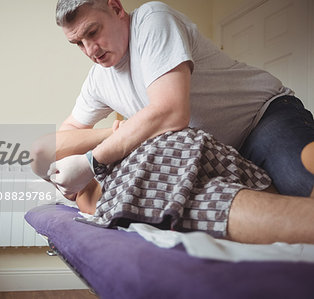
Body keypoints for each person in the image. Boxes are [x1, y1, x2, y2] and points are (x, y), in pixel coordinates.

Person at [47, 0, 314, 199]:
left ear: (116, 8)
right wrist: (109, 135)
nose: (90, 50)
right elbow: (63, 138)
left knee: (303, 188)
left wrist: (90, 162)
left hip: (263, 119)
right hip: (219, 154)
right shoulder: (98, 79)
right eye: (78, 43)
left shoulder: (152, 20)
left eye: (93, 32)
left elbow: (171, 112)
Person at [32, 120, 314, 245]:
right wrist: (120, 132)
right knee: (213, 197)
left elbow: (42, 152)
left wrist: (109, 141)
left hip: (166, 155)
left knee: (204, 202)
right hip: (186, 154)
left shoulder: (105, 159)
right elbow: (40, 155)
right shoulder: (85, 192)